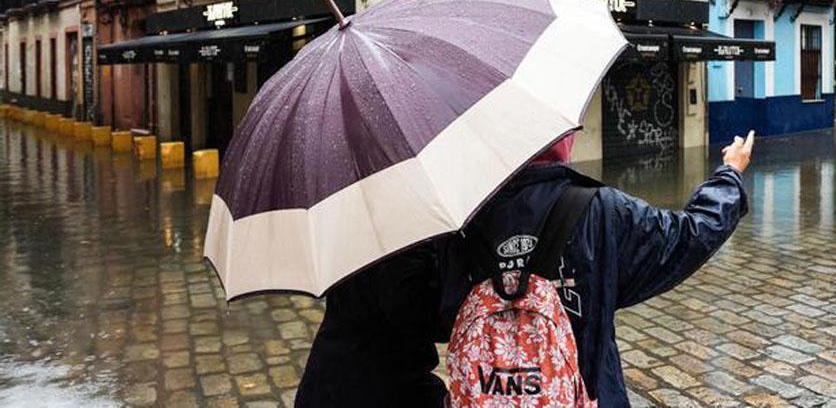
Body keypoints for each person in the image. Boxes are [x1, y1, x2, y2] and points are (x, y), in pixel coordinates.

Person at [441, 131, 756, 407]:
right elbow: (689, 236)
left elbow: (434, 314)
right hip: (594, 393)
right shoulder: (602, 210)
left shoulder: (460, 222)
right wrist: (729, 174)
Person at [295, 244, 448, 407]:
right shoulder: (405, 243)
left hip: (335, 371)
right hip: (376, 380)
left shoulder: (356, 230)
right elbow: (409, 309)